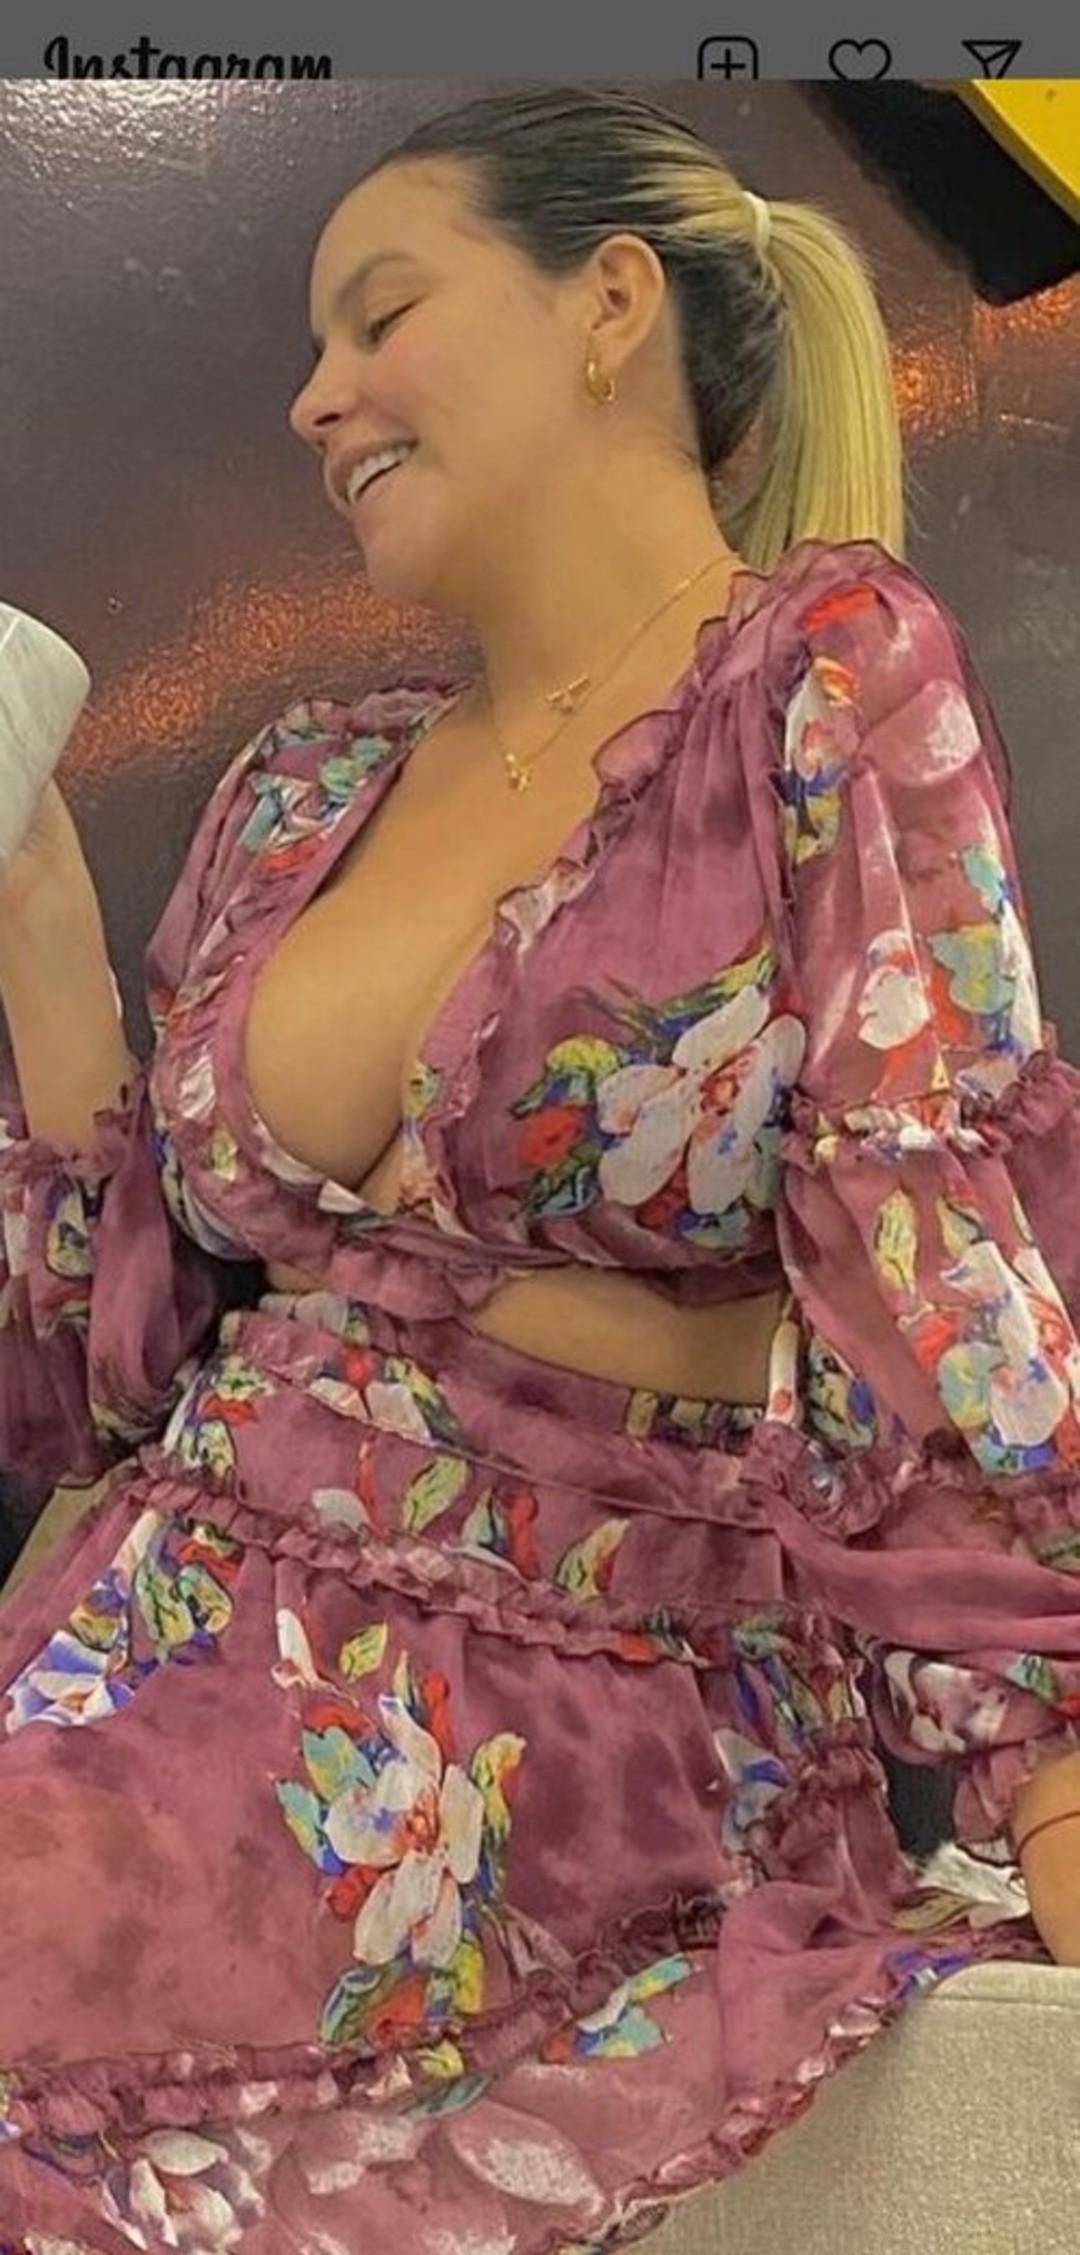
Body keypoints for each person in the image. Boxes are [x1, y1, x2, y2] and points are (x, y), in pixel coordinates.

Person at [1, 80, 1080, 2255]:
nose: (314, 399)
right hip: (151, 1638)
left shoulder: (816, 677)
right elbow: (113, 1345)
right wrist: (29, 886)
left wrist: (1049, 1780)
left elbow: (936, 1249)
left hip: (566, 1692)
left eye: (378, 313)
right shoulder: (302, 787)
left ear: (608, 305)